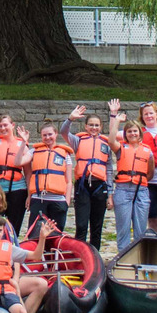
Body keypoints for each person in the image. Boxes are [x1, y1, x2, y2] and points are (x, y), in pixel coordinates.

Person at [62, 103, 114, 251]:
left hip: (100, 187)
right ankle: (80, 255)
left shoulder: (106, 144)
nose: (94, 128)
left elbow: (109, 169)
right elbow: (64, 132)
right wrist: (70, 119)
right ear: (85, 126)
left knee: (96, 227)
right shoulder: (78, 141)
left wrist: (110, 194)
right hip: (83, 186)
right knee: (81, 225)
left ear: (101, 127)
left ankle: (95, 256)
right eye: (91, 125)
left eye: (97, 125)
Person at [0, 103, 32, 235]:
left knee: (14, 225)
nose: (3, 128)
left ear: (12, 125)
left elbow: (28, 172)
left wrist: (30, 195)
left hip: (17, 189)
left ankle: (11, 249)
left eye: (5, 125)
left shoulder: (22, 145)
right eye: (0, 126)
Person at [108, 111, 156, 249]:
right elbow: (111, 140)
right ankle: (122, 258)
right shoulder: (120, 148)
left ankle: (138, 257)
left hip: (141, 190)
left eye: (135, 131)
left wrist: (141, 181)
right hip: (123, 189)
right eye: (129, 131)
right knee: (123, 228)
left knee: (140, 229)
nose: (132, 134)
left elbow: (150, 171)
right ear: (125, 134)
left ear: (140, 133)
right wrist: (117, 121)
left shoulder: (147, 151)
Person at [24, 124, 74, 237]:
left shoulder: (65, 155)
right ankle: (37, 254)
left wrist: (66, 202)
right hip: (38, 199)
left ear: (56, 134)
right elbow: (18, 162)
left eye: (50, 134)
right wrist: (24, 142)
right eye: (44, 135)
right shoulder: (34, 152)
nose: (47, 137)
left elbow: (69, 180)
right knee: (35, 234)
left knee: (55, 234)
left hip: (58, 201)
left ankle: (53, 254)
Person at [136, 103, 157, 241]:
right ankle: (156, 250)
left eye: (151, 113)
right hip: (149, 182)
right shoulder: (139, 133)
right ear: (142, 117)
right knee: (153, 219)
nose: (149, 116)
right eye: (146, 114)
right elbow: (116, 139)